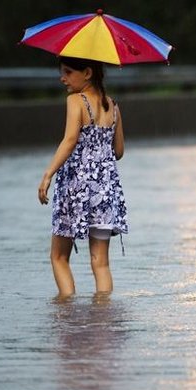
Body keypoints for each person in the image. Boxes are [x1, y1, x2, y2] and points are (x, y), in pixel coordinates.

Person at [38, 56, 128, 300]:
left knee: (59, 257)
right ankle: (103, 316)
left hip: (75, 190)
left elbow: (69, 141)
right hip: (104, 192)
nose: (62, 78)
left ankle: (68, 314)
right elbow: (118, 152)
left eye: (68, 72)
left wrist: (48, 174)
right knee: (101, 263)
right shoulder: (114, 106)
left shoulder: (75, 101)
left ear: (87, 72)